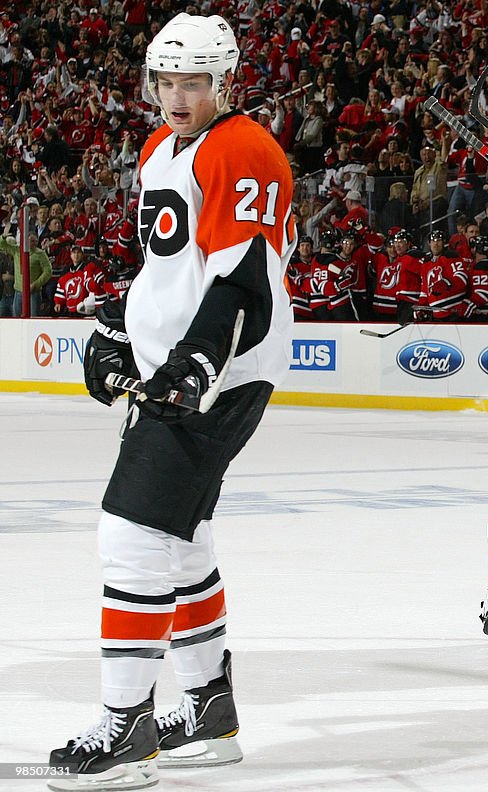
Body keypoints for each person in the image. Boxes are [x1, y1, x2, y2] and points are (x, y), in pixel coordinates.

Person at [50, 14, 295, 789]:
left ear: (225, 84)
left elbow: (243, 281)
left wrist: (192, 364)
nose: (178, 97)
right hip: (183, 369)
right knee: (180, 541)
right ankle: (207, 708)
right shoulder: (162, 150)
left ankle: (127, 728)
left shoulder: (244, 147)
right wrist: (124, 329)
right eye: (167, 81)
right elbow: (169, 268)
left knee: (131, 533)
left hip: (218, 375)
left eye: (194, 82)